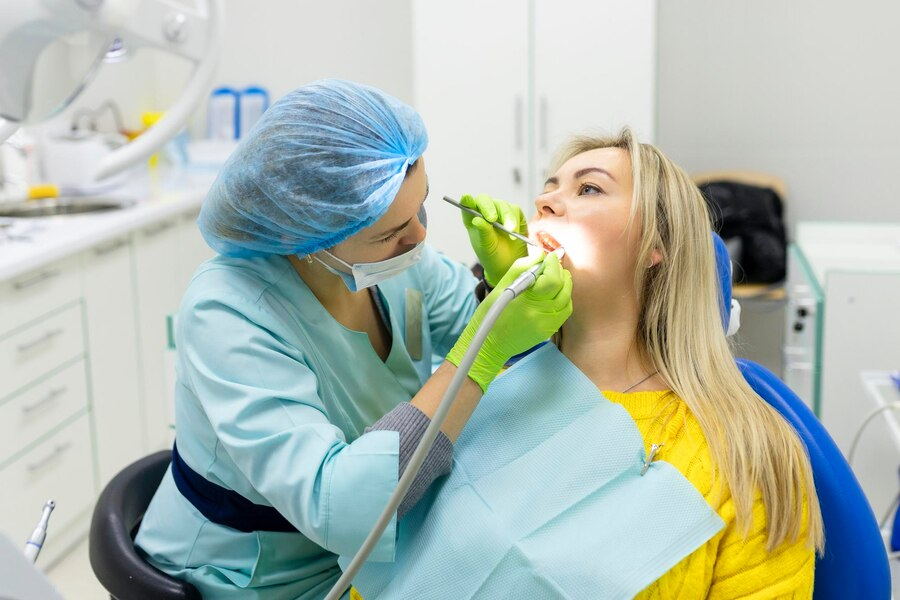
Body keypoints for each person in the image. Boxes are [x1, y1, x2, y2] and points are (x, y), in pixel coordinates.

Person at [133, 79, 572, 599]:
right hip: (255, 573)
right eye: (390, 232)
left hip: (379, 545)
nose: (420, 238)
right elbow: (335, 505)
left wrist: (498, 295)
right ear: (307, 237)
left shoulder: (393, 261)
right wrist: (486, 344)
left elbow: (496, 348)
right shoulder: (228, 312)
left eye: (422, 207)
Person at [454, 128, 824, 597]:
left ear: (656, 245)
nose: (545, 203)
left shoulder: (745, 449)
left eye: (588, 188)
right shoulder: (481, 397)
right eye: (549, 188)